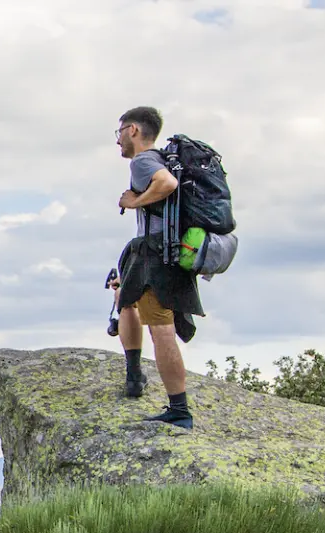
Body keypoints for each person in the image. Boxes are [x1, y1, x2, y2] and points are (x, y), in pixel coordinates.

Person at [109, 105, 202, 429]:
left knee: (161, 328)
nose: (118, 140)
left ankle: (179, 410)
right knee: (125, 298)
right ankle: (134, 376)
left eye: (119, 132)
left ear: (133, 130)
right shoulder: (161, 159)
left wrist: (132, 201)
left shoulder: (144, 161)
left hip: (157, 256)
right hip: (162, 252)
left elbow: (166, 184)